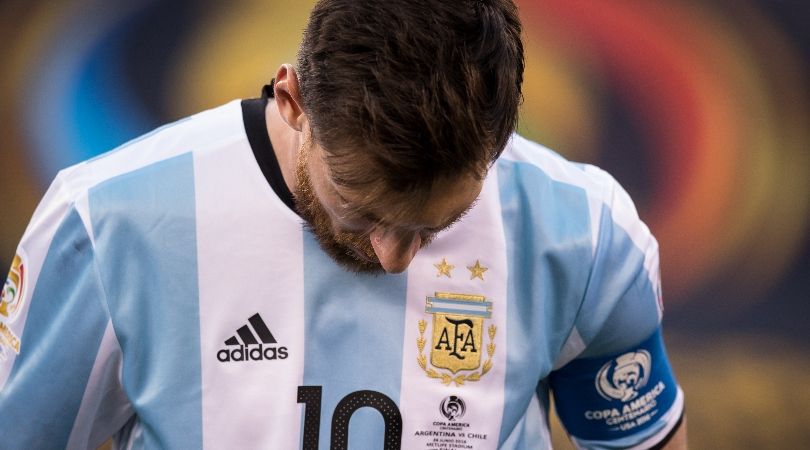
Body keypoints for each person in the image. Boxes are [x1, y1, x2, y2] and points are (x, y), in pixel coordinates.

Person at [0, 0, 687, 448]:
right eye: (361, 211)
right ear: (293, 100)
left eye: (437, 225)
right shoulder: (106, 221)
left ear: (498, 141)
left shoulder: (584, 231)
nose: (394, 258)